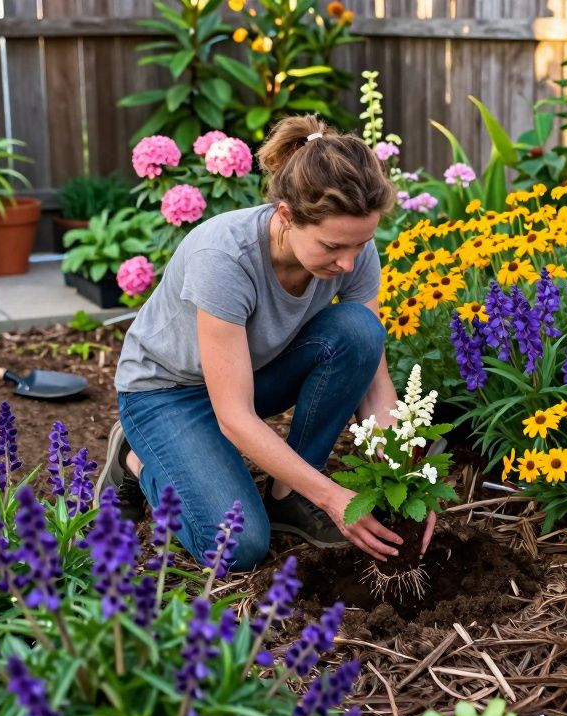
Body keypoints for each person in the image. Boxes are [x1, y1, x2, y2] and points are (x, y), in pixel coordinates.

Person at [99, 115, 435, 572]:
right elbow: (234, 416)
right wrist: (333, 495)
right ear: (286, 215)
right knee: (237, 546)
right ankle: (137, 459)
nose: (348, 262)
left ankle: (289, 495)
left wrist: (407, 480)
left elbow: (373, 378)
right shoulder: (224, 257)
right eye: (331, 247)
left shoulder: (351, 245)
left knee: (360, 331)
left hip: (249, 375)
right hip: (167, 394)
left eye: (360, 245)